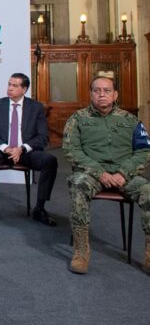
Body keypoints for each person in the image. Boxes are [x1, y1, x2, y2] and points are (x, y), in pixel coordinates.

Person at [63, 75, 150, 274]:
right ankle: (81, 250)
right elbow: (71, 150)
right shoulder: (78, 119)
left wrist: (123, 172)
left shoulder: (131, 121)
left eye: (107, 90)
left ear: (115, 94)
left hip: (124, 175)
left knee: (148, 190)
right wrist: (99, 172)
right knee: (78, 185)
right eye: (97, 90)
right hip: (91, 174)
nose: (102, 94)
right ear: (91, 94)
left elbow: (144, 151)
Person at [0, 73, 58, 225]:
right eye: (9, 84)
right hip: (1, 151)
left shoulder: (36, 107)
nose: (10, 88)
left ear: (24, 89)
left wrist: (22, 149)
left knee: (50, 161)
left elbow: (42, 137)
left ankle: (39, 208)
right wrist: (6, 148)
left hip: (26, 152)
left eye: (15, 85)